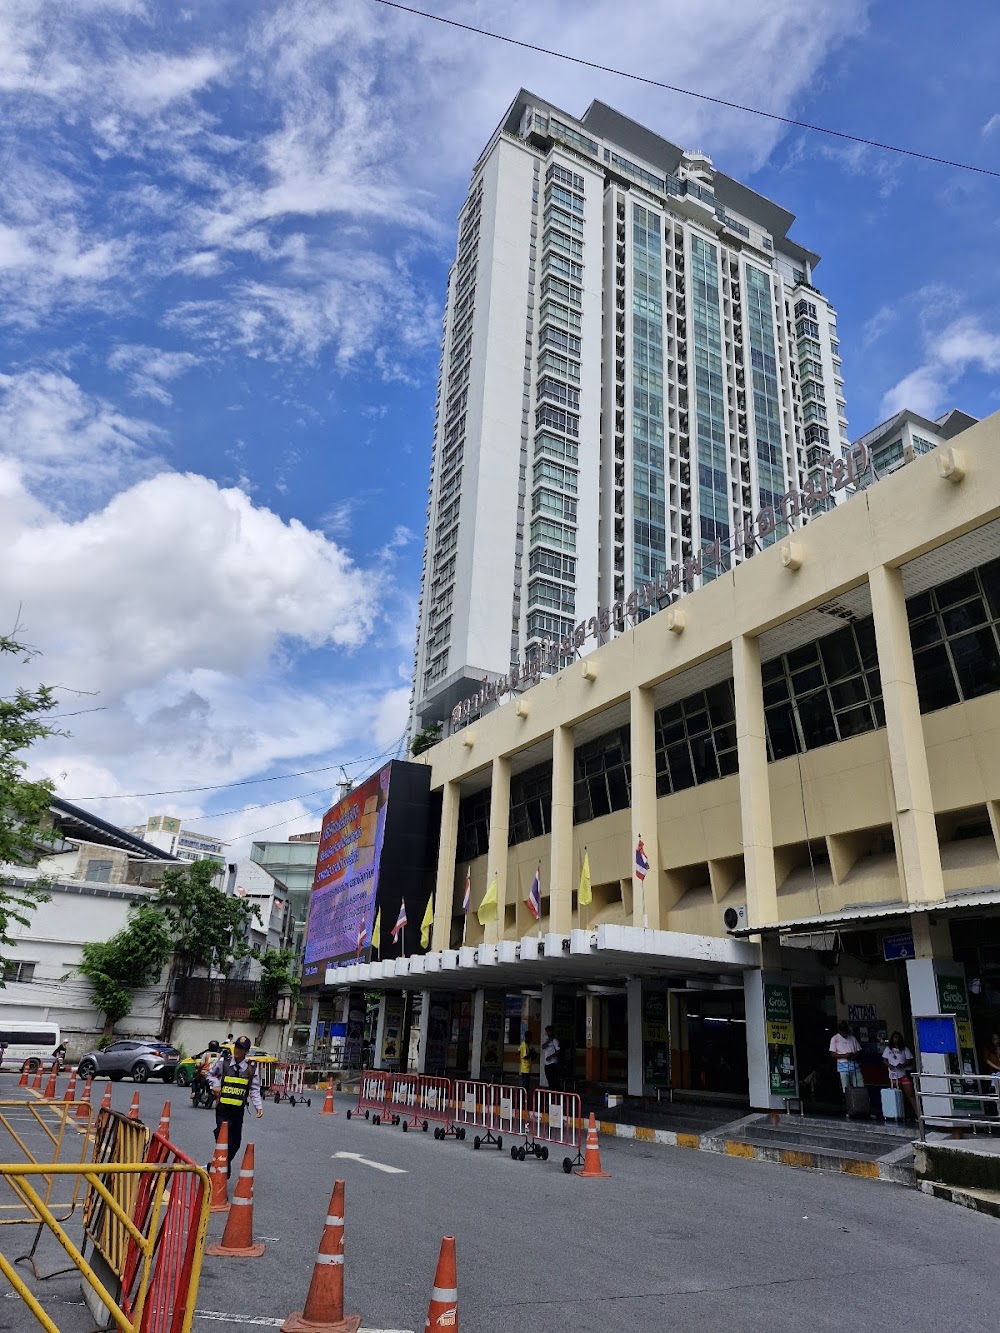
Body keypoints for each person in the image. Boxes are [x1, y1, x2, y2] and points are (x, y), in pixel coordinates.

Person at [207, 1035, 263, 1176]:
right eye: (236, 1047)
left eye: (241, 1049)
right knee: (224, 1140)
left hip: (238, 1111)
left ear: (246, 1051)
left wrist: (258, 1106)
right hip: (223, 1109)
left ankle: (217, 1165)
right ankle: (222, 1171)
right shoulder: (223, 1063)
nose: (237, 1050)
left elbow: (255, 1088)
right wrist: (216, 1085)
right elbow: (210, 1074)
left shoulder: (251, 1068)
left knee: (235, 1144)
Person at [882, 1030, 919, 1119]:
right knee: (898, 1096)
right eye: (895, 1037)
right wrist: (889, 1065)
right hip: (894, 1075)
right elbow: (884, 1059)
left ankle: (917, 1114)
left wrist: (903, 1064)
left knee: (910, 1095)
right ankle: (900, 1114)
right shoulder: (888, 1049)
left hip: (904, 1074)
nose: (896, 1039)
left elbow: (910, 1059)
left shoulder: (905, 1049)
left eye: (898, 1038)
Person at [829, 1020, 862, 1107]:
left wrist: (853, 1055)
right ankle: (848, 1105)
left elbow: (859, 1050)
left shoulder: (852, 1038)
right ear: (839, 1031)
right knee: (846, 1087)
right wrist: (844, 1056)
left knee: (859, 1084)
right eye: (843, 1032)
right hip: (843, 1065)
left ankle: (860, 1103)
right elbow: (832, 1054)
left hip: (854, 1065)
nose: (845, 1034)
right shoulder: (835, 1038)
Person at [541, 1026, 561, 1091]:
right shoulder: (547, 1039)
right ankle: (551, 1091)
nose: (547, 1033)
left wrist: (551, 1056)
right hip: (547, 1063)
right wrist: (548, 1041)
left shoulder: (555, 1040)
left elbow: (558, 1051)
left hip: (553, 1063)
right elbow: (543, 1047)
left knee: (553, 1079)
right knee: (549, 1078)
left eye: (548, 1031)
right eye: (546, 1032)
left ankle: (555, 1091)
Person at [518, 1027, 536, 1093]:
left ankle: (524, 1094)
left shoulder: (524, 1044)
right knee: (525, 1084)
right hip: (526, 1068)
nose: (531, 1039)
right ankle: (524, 1095)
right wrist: (530, 1053)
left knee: (525, 1082)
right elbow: (525, 1057)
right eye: (530, 1037)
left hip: (526, 1067)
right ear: (528, 1037)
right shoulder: (525, 1045)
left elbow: (518, 1051)